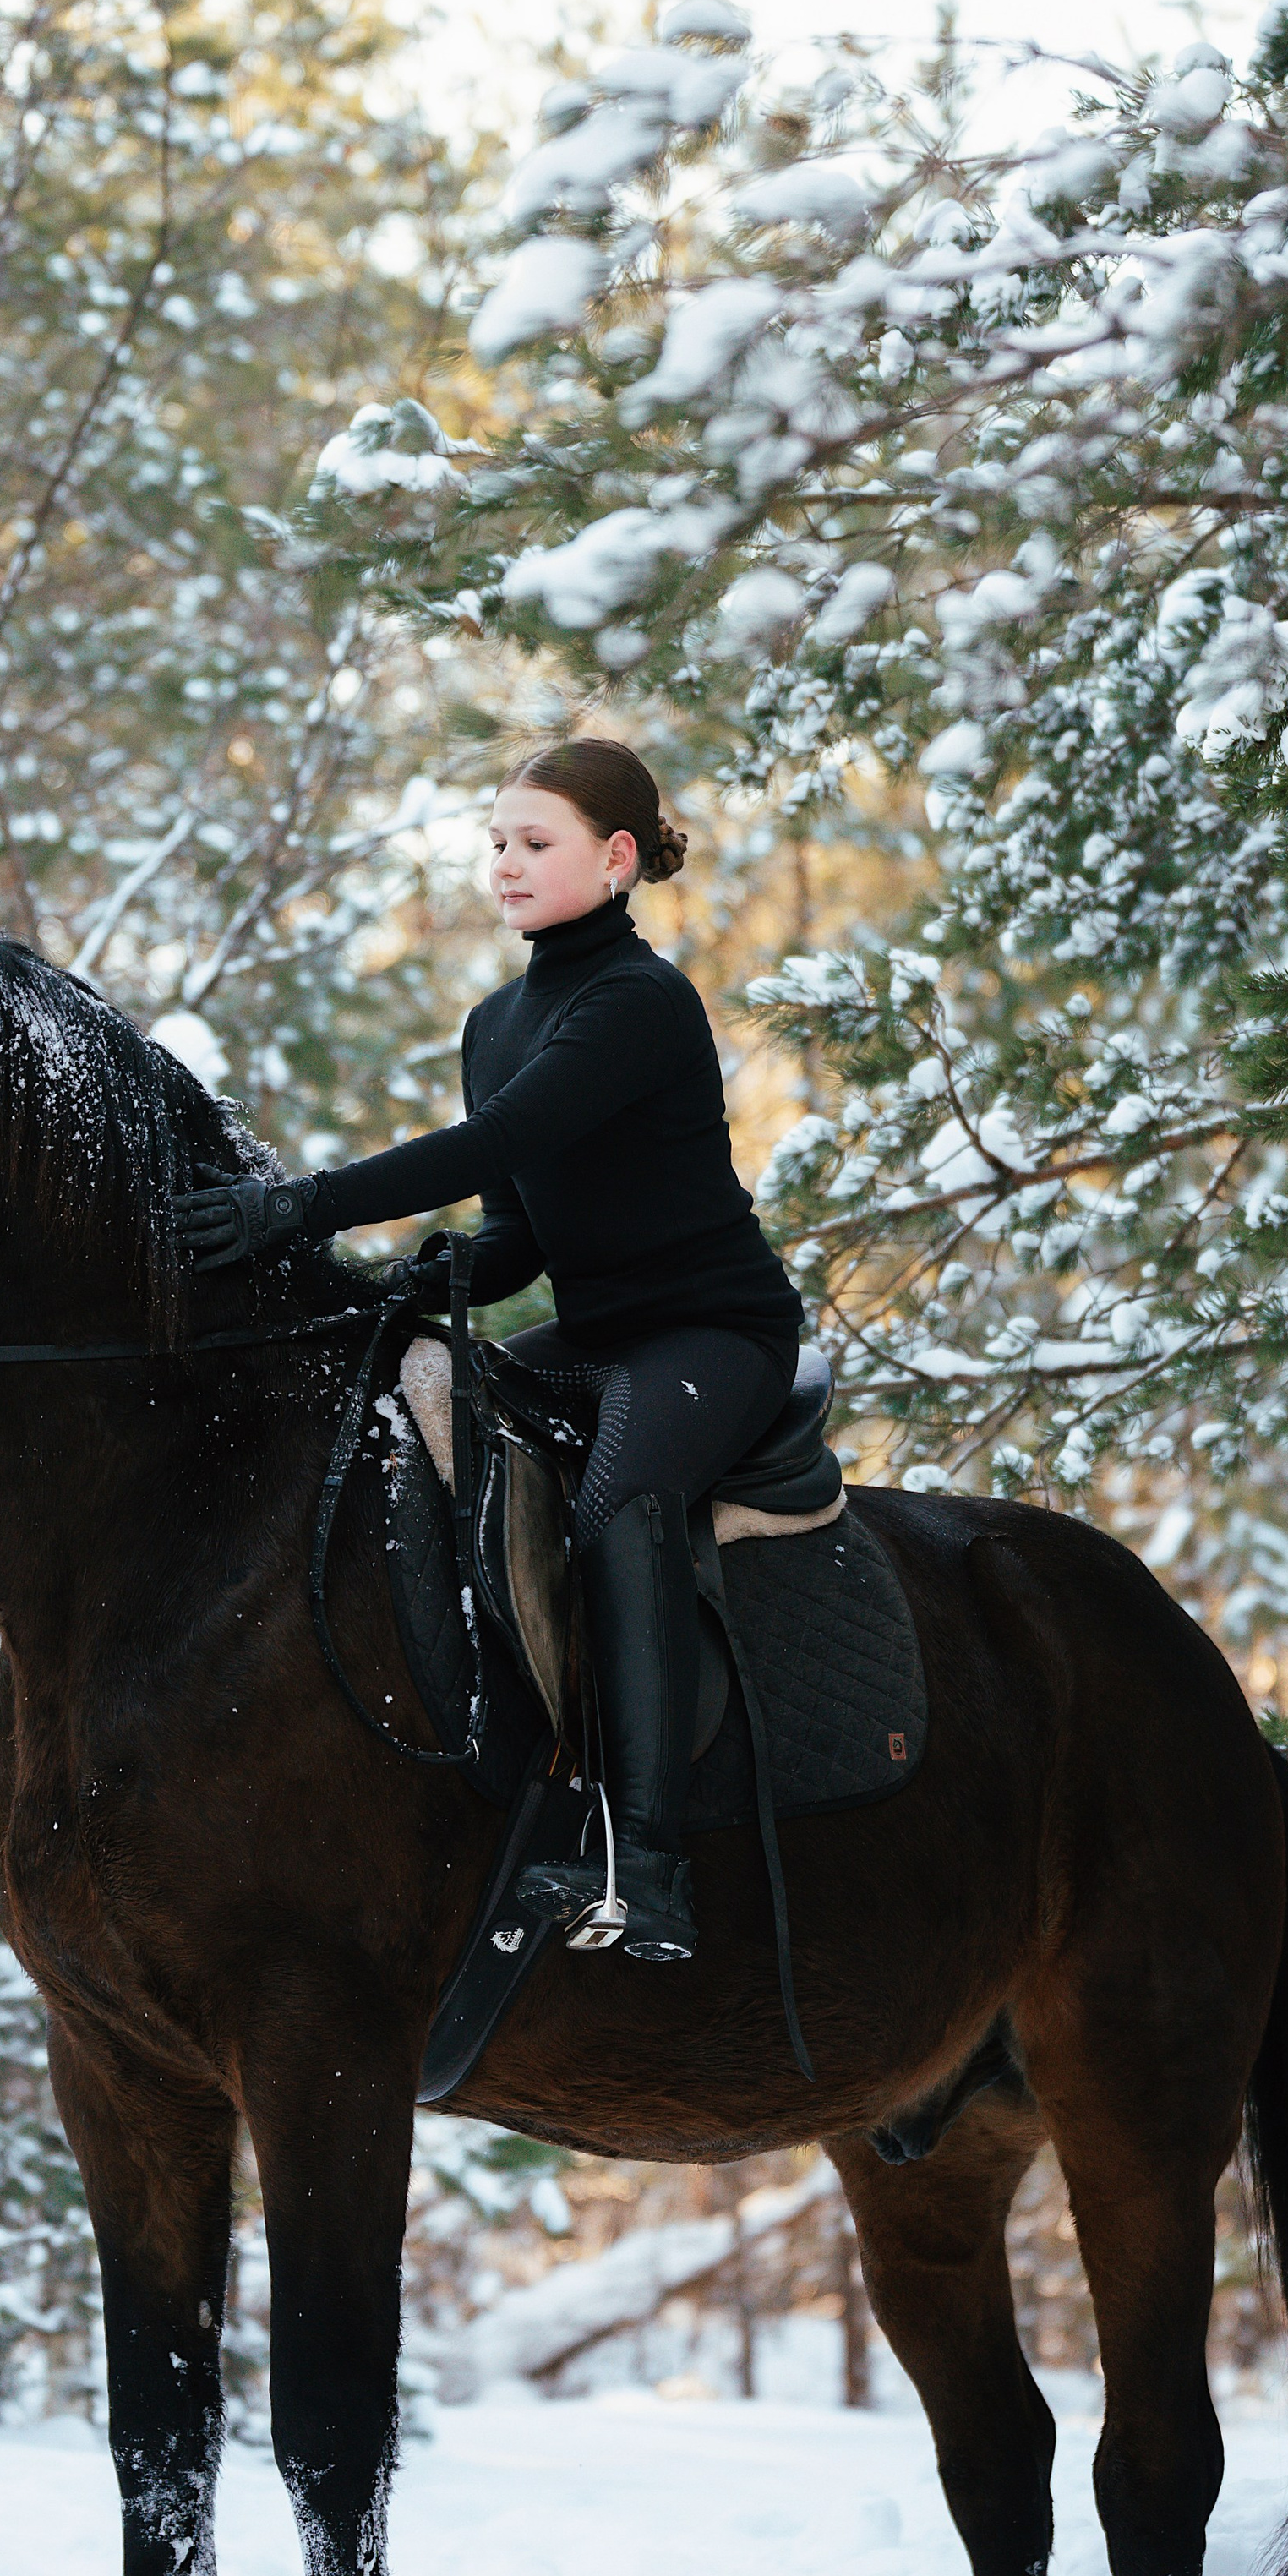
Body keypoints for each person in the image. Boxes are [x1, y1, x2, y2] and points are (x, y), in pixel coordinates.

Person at [181, 734, 804, 1962]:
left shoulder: (639, 1002)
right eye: (497, 845)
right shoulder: (494, 1019)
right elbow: (518, 1230)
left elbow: (499, 1139)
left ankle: (651, 1864)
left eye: (536, 844)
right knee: (441, 1449)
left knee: (622, 1503)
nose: (506, 866)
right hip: (600, 1330)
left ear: (617, 861)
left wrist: (296, 1207)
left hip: (712, 1333)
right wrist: (427, 1274)